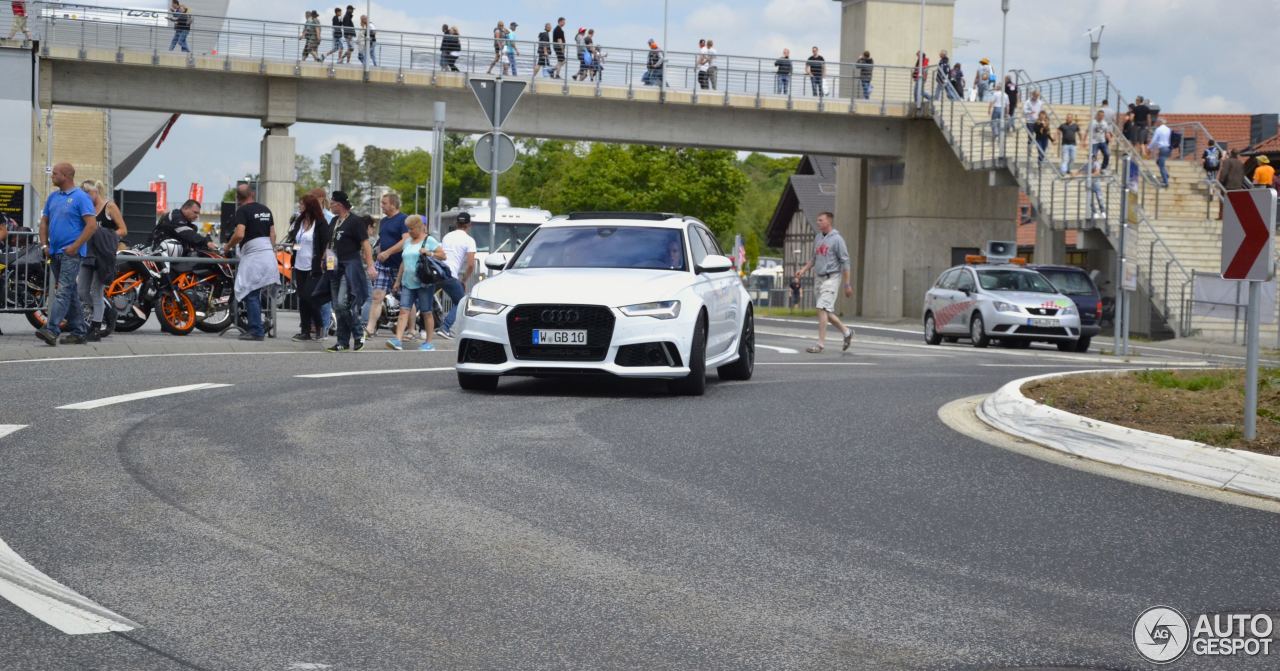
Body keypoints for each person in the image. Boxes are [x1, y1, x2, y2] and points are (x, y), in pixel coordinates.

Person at [35, 163, 98, 346]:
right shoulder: (53, 197)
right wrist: (44, 245)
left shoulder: (81, 197)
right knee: (69, 292)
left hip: (71, 254)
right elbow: (44, 222)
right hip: (54, 252)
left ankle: (51, 330)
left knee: (62, 291)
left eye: (55, 173)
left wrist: (76, 246)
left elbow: (91, 225)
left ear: (66, 176)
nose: (52, 176)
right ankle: (79, 332)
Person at [221, 184, 277, 342]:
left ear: (238, 198)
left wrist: (227, 247)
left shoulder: (242, 211)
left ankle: (256, 331)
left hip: (254, 257)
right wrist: (270, 250)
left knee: (251, 294)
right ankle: (259, 325)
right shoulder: (266, 210)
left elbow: (239, 233)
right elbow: (273, 234)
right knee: (256, 294)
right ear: (252, 194)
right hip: (268, 255)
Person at [793, 212, 853, 353]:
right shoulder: (818, 238)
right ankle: (847, 332)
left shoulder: (837, 239)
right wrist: (802, 270)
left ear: (828, 222)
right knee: (825, 312)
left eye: (821, 220)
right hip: (819, 279)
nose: (818, 222)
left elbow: (846, 261)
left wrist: (847, 284)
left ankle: (820, 344)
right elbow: (814, 259)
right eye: (818, 220)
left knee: (821, 308)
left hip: (832, 278)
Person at [324, 190, 375, 352]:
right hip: (334, 267)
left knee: (342, 303)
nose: (330, 206)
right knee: (337, 306)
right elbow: (330, 244)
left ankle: (358, 334)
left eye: (332, 203)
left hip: (350, 266)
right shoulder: (333, 221)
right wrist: (324, 261)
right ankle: (342, 341)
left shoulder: (355, 222)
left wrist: (371, 265)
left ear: (339, 205)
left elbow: (365, 245)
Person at [387, 215, 446, 351]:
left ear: (420, 227)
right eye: (408, 228)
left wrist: (429, 253)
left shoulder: (429, 240)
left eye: (412, 229)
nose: (409, 231)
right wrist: (397, 281)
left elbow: (443, 255)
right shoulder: (407, 241)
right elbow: (403, 262)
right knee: (403, 310)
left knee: (426, 312)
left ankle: (429, 342)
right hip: (407, 282)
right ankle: (398, 340)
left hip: (424, 282)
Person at [78, 180, 126, 341]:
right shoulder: (86, 209)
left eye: (87, 194)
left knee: (96, 291)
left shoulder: (109, 206)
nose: (85, 198)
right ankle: (107, 311)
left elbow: (123, 229)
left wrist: (105, 235)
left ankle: (95, 326)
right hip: (88, 253)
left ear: (95, 192)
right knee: (82, 290)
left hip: (103, 254)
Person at [364, 192, 408, 338]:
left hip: (399, 265)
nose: (381, 206)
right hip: (383, 265)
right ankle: (370, 328)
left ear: (393, 204)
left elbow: (405, 241)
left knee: (406, 299)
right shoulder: (383, 221)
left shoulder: (403, 220)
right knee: (377, 296)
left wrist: (388, 252)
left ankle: (412, 328)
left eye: (384, 203)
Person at [286, 194, 326, 341]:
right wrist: (294, 249)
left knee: (309, 297)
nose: (299, 206)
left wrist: (324, 262)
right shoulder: (300, 221)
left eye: (301, 204)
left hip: (314, 267)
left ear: (309, 205)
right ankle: (305, 331)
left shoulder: (320, 223)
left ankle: (320, 326)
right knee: (302, 299)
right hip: (299, 266)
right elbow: (297, 241)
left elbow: (325, 244)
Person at [436, 211, 476, 338]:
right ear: (469, 224)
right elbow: (470, 265)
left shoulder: (447, 236)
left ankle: (419, 327)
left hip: (437, 271)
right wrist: (464, 280)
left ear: (456, 223)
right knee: (460, 302)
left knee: (426, 297)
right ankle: (445, 327)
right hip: (450, 274)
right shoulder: (469, 240)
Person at [1147, 117, 1172, 187]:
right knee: (1158, 162)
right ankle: (1166, 174)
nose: (1156, 124)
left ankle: (1165, 181)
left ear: (1160, 122)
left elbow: (1154, 140)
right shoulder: (1168, 129)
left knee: (1161, 165)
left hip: (1162, 148)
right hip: (1167, 148)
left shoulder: (1158, 129)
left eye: (1157, 122)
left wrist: (1149, 148)